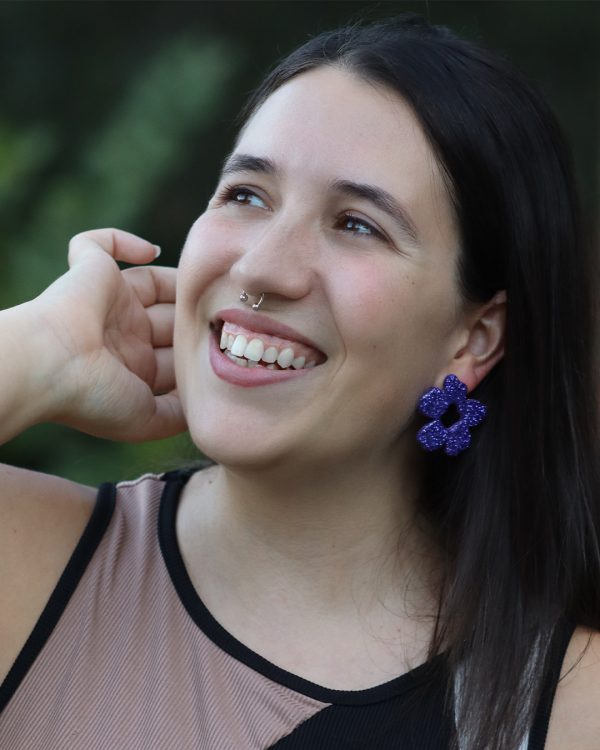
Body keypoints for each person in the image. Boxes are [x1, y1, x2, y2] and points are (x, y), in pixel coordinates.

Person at [0, 14, 599, 750]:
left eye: (357, 224)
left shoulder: (570, 709)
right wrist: (32, 354)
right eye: (246, 195)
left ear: (474, 338)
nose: (260, 268)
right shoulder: (26, 563)